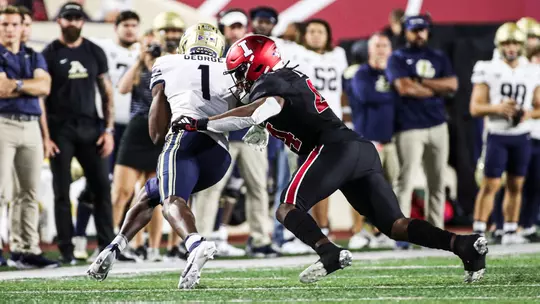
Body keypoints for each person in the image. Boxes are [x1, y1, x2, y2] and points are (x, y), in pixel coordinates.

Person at [171, 34, 488, 284]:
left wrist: (201, 123)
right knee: (395, 225)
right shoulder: (285, 77)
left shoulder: (272, 81)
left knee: (287, 208)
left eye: (240, 71)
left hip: (332, 148)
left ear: (256, 65)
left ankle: (328, 253)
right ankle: (463, 246)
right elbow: (275, 112)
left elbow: (262, 108)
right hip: (358, 149)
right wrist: (262, 124)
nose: (238, 80)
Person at [88, 23, 236, 289]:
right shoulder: (230, 68)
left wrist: (164, 138)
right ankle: (114, 248)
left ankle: (194, 243)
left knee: (170, 199)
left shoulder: (167, 62)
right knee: (150, 192)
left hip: (185, 140)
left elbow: (156, 131)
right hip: (220, 155)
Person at [192, 7, 276, 258]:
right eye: (232, 27)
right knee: (210, 188)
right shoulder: (212, 57)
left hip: (250, 132)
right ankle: (200, 240)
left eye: (240, 26)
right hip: (220, 132)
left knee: (258, 187)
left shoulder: (255, 55)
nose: (236, 31)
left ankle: (260, 239)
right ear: (223, 29)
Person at [42, 1, 115, 264]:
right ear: (59, 21)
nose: (72, 22)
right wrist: (46, 136)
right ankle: (66, 250)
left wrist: (108, 130)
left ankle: (108, 247)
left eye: (77, 17)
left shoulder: (95, 51)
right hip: (59, 130)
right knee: (61, 191)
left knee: (101, 189)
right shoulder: (48, 54)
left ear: (83, 21)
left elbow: (106, 93)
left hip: (91, 128)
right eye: (67, 18)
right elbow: (41, 98)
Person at [72, 10, 141, 262]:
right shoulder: (100, 48)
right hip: (104, 125)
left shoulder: (141, 54)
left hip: (132, 128)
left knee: (126, 190)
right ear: (116, 27)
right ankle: (79, 236)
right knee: (96, 181)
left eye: (134, 25)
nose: (130, 29)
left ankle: (115, 243)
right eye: (126, 24)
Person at [387, 15, 457, 244]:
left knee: (437, 181)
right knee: (404, 182)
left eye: (423, 30)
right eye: (414, 30)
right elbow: (405, 89)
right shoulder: (397, 57)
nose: (419, 34)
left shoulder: (438, 56)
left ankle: (436, 234)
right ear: (405, 32)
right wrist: (436, 88)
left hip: (437, 125)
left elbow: (453, 85)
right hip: (408, 127)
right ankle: (401, 234)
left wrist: (421, 82)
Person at [470, 23, 540, 244]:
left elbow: (539, 106)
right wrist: (497, 108)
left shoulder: (531, 70)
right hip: (498, 134)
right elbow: (475, 107)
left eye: (515, 43)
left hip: (521, 135)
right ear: (499, 45)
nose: (511, 48)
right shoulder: (488, 67)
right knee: (490, 185)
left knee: (516, 185)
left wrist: (529, 114)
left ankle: (510, 229)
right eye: (506, 43)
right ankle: (479, 229)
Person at [0, 5, 58, 268]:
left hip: (31, 124)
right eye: (5, 24)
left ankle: (26, 249)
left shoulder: (33, 54)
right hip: (4, 123)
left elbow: (45, 86)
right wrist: (29, 86)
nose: (11, 29)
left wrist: (18, 84)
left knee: (30, 191)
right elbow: (1, 90)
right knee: (1, 192)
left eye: (15, 24)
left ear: (22, 26)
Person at [113, 30, 164, 261]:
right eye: (149, 44)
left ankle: (153, 249)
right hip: (136, 130)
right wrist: (139, 59)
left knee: (154, 196)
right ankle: (113, 242)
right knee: (122, 192)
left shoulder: (168, 66)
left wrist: (160, 60)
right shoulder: (137, 68)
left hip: (159, 131)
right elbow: (122, 88)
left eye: (156, 45)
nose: (152, 49)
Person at [297, 19, 349, 237]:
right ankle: (304, 228)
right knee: (303, 179)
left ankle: (323, 227)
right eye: (311, 31)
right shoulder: (297, 54)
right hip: (306, 124)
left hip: (332, 123)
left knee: (325, 179)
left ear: (328, 35)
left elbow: (344, 91)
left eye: (320, 31)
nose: (316, 35)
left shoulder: (338, 55)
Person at [347, 33, 398, 250]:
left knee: (389, 188)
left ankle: (380, 231)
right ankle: (358, 232)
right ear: (369, 50)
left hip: (392, 139)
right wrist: (399, 93)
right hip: (367, 138)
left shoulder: (395, 71)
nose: (381, 49)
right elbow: (367, 96)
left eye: (384, 45)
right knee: (360, 187)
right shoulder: (361, 73)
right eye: (377, 45)